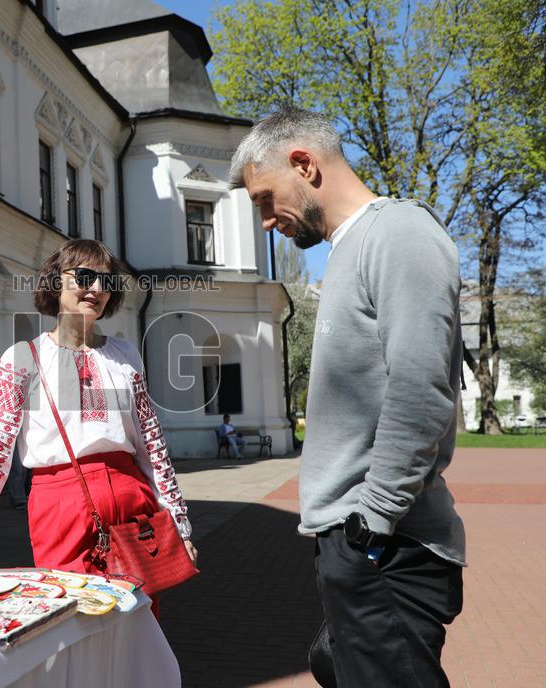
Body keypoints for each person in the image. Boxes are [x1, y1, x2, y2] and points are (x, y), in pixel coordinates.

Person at [230, 104, 465, 687]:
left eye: (265, 198)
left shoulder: (398, 233)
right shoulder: (348, 250)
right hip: (360, 541)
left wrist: (374, 519)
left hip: (388, 543)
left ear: (303, 163)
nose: (266, 221)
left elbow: (421, 388)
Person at [0, 239, 199, 616]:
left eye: (107, 281)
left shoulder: (125, 355)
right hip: (61, 506)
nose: (97, 289)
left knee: (139, 620)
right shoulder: (23, 358)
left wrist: (179, 525)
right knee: (73, 619)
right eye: (84, 277)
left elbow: (152, 445)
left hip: (133, 503)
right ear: (56, 281)